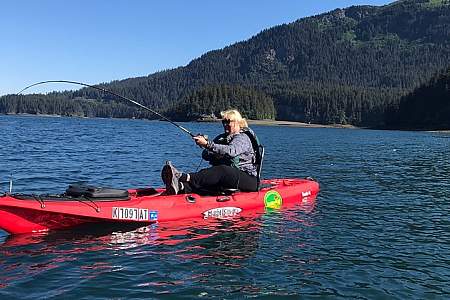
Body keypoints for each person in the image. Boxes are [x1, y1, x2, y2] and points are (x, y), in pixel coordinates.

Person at [161, 109, 259, 195]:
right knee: (210, 174)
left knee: (222, 170)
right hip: (228, 178)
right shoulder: (222, 138)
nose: (225, 124)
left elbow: (231, 151)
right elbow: (205, 155)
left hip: (248, 179)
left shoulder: (243, 138)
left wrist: (207, 144)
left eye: (228, 121)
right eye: (223, 121)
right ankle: (181, 187)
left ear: (238, 122)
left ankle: (183, 176)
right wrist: (208, 148)